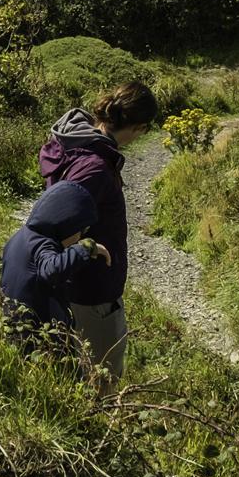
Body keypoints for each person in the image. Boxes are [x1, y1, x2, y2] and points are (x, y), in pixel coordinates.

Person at [38, 81, 158, 380]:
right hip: (92, 291)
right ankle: (101, 423)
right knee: (102, 378)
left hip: (76, 286)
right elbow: (59, 221)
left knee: (78, 371)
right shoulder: (94, 166)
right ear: (138, 127)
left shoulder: (81, 145)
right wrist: (84, 251)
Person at [0, 180, 109, 347]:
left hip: (17, 330)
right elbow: (52, 270)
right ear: (66, 223)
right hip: (40, 341)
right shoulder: (42, 244)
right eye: (81, 230)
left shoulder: (21, 237)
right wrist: (86, 248)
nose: (79, 236)